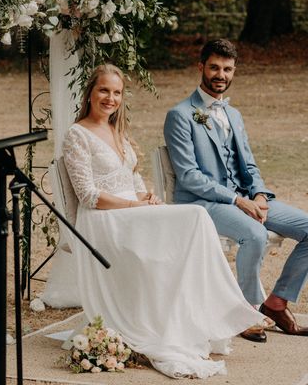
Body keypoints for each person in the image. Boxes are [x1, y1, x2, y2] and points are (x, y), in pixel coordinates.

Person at [63, 64, 264, 378]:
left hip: (132, 212)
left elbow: (132, 179)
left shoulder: (118, 131)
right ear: (90, 93)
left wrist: (149, 196)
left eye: (117, 92)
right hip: (104, 221)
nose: (110, 98)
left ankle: (203, 312)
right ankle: (230, 307)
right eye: (104, 90)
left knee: (193, 222)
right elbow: (89, 195)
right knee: (196, 214)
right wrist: (133, 203)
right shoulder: (78, 133)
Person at [164, 38, 308, 342]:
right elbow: (189, 177)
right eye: (214, 67)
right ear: (201, 67)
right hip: (203, 202)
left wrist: (257, 195)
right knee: (255, 234)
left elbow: (250, 166)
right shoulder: (180, 115)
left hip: (244, 198)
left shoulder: (234, 115)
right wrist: (239, 200)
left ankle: (276, 303)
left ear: (234, 71)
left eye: (227, 69)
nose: (221, 75)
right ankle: (244, 311)